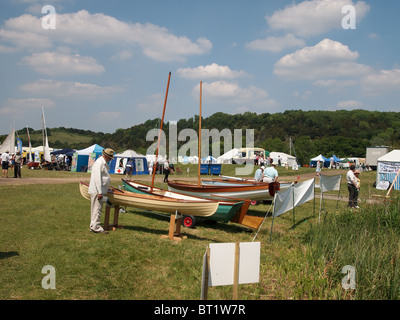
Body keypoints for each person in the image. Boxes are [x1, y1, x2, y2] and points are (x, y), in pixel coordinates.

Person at [88, 148, 115, 234]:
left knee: (96, 208)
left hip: (99, 189)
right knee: (97, 209)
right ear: (106, 156)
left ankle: (93, 225)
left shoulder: (102, 163)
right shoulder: (99, 163)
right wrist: (99, 192)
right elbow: (97, 179)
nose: (110, 159)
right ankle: (96, 227)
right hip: (97, 190)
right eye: (110, 158)